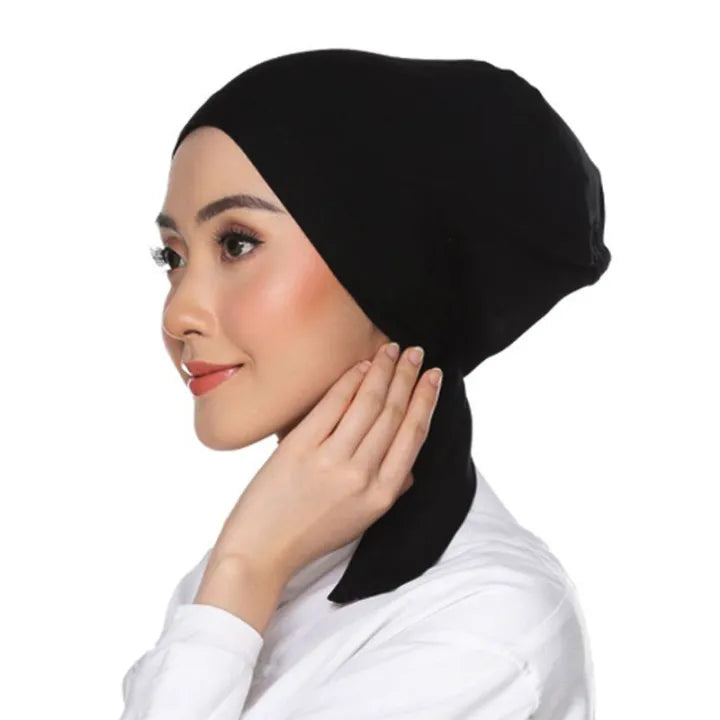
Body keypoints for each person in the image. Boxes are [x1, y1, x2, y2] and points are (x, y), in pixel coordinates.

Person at [120, 49, 607, 719]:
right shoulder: (259, 560)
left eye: (236, 244)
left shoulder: (486, 625)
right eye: (171, 257)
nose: (178, 314)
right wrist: (240, 573)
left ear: (386, 268)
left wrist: (243, 571)